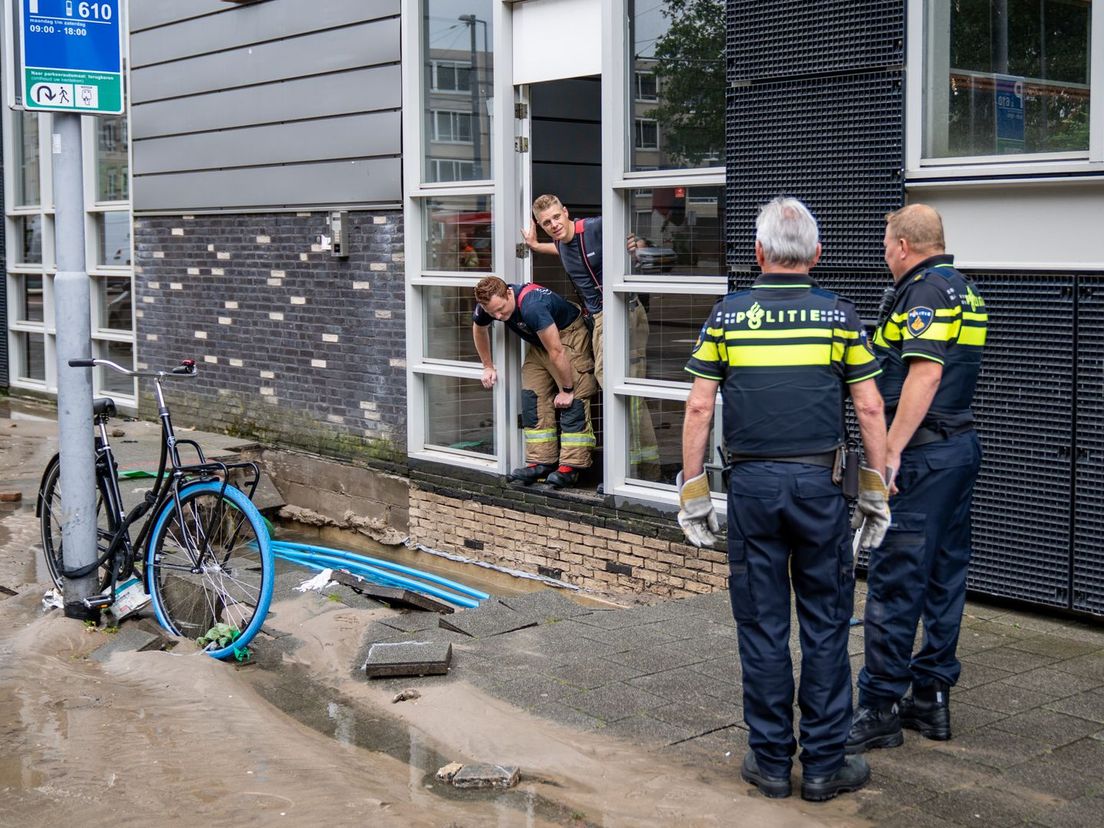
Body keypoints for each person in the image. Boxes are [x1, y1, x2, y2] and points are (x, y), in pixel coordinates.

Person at [677, 197, 890, 802]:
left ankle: (770, 764)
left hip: (752, 488)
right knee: (826, 623)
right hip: (822, 487)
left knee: (763, 625)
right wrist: (874, 489)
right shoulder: (841, 319)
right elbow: (870, 406)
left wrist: (695, 491)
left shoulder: (726, 318)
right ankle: (824, 766)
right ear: (816, 255)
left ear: (759, 253)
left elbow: (698, 406)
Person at [847, 204, 988, 753]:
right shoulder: (963, 288)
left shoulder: (924, 292)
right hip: (957, 450)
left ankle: (879, 705)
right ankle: (931, 698)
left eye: (886, 243)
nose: (884, 253)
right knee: (945, 575)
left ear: (903, 245)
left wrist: (891, 453)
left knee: (895, 580)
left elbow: (925, 375)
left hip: (924, 455)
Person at [523, 194, 660, 478]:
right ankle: (630, 467)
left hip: (623, 313)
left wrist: (637, 244)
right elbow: (559, 249)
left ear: (566, 212)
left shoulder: (595, 227)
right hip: (600, 317)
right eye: (547, 223)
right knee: (612, 384)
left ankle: (638, 470)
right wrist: (535, 245)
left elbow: (631, 235)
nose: (554, 225)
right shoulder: (560, 242)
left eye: (557, 218)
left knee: (618, 385)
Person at [471, 276, 597, 489]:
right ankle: (541, 461)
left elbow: (557, 351)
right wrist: (487, 365)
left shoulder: (532, 306)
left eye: (501, 309)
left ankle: (572, 467)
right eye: (493, 313)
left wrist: (566, 389)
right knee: (532, 397)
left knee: (574, 400)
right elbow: (479, 328)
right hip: (539, 342)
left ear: (509, 293)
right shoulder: (489, 304)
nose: (499, 317)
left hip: (568, 337)